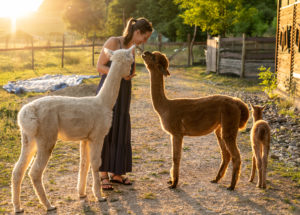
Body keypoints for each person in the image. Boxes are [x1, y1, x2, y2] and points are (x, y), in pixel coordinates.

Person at [96, 17, 153, 190]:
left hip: (124, 91)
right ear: (137, 32)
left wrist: (129, 74)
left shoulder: (132, 48)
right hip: (109, 90)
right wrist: (117, 73)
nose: (145, 41)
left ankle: (117, 173)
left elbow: (131, 69)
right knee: (107, 129)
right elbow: (100, 67)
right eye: (145, 37)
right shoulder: (114, 42)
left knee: (121, 127)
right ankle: (103, 173)